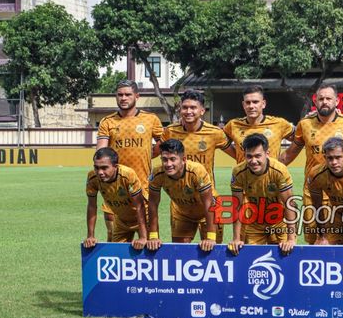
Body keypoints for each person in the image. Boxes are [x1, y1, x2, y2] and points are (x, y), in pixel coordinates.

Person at [279, 84, 343, 244]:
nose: (324, 102)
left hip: (342, 192)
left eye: (328, 98)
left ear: (337, 101)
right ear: (315, 101)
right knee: (315, 242)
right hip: (313, 191)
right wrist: (270, 168)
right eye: (321, 98)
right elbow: (290, 153)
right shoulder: (305, 124)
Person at [159, 90, 237, 243]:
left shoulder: (215, 133)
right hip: (181, 204)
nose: (188, 111)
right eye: (185, 107)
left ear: (202, 110)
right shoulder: (170, 132)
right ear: (180, 109)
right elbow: (153, 154)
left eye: (193, 108)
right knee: (180, 252)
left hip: (209, 200)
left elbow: (237, 155)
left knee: (213, 251)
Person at [96, 79, 163, 241]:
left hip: (143, 188)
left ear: (137, 96)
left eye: (127, 95)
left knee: (148, 242)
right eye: (120, 95)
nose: (123, 98)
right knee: (113, 240)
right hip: (114, 191)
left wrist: (149, 154)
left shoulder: (151, 119)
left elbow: (164, 144)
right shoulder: (107, 122)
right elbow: (101, 152)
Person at [228, 133, 297, 255]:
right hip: (255, 221)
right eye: (249, 156)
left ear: (267, 153)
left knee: (285, 255)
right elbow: (237, 206)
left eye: (258, 156)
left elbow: (289, 204)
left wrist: (291, 239)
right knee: (250, 256)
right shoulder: (238, 172)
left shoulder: (279, 170)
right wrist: (236, 238)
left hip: (279, 221)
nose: (253, 161)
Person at [146, 139, 218, 252]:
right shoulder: (157, 174)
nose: (168, 164)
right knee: (179, 251)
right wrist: (154, 236)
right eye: (164, 160)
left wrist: (211, 237)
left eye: (172, 159)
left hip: (209, 212)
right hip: (182, 212)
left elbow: (208, 204)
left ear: (183, 159)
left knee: (213, 251)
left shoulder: (197, 171)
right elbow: (153, 204)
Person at [84, 148, 148, 250]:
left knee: (149, 251)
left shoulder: (127, 175)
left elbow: (140, 206)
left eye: (104, 168)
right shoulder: (92, 177)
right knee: (116, 253)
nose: (100, 172)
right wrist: (90, 236)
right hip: (121, 221)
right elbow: (92, 206)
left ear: (115, 166)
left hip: (144, 218)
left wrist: (143, 237)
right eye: (96, 167)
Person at [223, 85, 295, 163]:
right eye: (247, 102)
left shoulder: (279, 124)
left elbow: (299, 139)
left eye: (255, 102)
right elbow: (220, 140)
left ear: (263, 104)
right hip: (242, 174)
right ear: (243, 105)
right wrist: (238, 156)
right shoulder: (233, 125)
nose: (251, 106)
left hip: (271, 174)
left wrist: (284, 158)